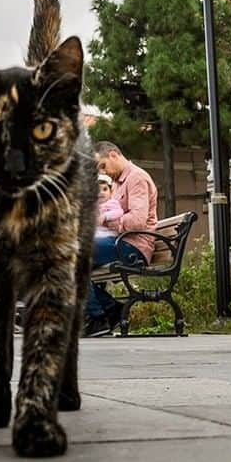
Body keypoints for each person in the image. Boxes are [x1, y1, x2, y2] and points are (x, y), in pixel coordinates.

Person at [84, 141, 159, 337]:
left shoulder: (137, 178)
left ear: (113, 155)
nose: (103, 172)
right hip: (121, 242)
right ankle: (110, 309)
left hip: (134, 247)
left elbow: (137, 220)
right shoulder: (118, 183)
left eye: (103, 166)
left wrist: (106, 222)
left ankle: (97, 318)